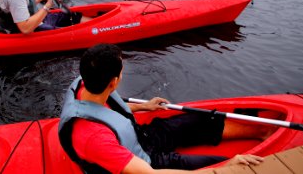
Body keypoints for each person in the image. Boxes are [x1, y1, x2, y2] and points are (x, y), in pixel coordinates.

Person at [59, 44, 267, 174]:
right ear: (114, 82)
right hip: (147, 162)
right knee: (224, 164)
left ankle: (261, 131)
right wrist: (226, 167)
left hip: (141, 138)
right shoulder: (94, 139)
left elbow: (110, 109)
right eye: (122, 70)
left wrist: (145, 107)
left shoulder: (87, 82)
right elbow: (149, 173)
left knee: (198, 121)